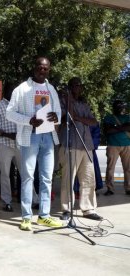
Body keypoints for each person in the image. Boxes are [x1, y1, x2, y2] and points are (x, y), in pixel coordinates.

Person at [6, 56, 63, 231]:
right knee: (28, 176)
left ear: (49, 70)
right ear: (34, 68)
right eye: (40, 67)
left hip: (48, 135)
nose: (42, 70)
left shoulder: (51, 88)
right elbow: (10, 113)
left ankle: (44, 216)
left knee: (46, 177)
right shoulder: (22, 89)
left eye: (46, 68)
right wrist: (28, 120)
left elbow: (58, 112)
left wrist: (55, 117)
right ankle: (26, 217)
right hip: (30, 136)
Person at [59, 77, 103, 221]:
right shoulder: (63, 101)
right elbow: (68, 117)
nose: (78, 87)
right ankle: (67, 209)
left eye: (80, 85)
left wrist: (78, 117)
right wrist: (69, 100)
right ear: (70, 87)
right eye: (75, 85)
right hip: (70, 144)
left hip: (87, 144)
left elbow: (93, 121)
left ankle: (88, 209)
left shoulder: (84, 104)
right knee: (68, 179)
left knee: (89, 178)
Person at [0, 82, 20, 212]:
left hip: (20, 145)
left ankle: (33, 200)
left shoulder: (21, 106)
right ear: (5, 91)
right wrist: (7, 135)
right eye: (11, 90)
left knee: (26, 173)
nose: (14, 93)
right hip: (4, 145)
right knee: (5, 174)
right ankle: (7, 202)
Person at [103, 99, 130, 196]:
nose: (120, 108)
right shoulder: (108, 117)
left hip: (127, 145)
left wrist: (115, 127)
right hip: (112, 145)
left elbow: (128, 128)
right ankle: (110, 188)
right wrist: (123, 127)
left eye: (121, 106)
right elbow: (108, 131)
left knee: (128, 168)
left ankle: (128, 188)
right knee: (110, 168)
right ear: (114, 107)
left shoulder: (128, 117)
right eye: (118, 106)